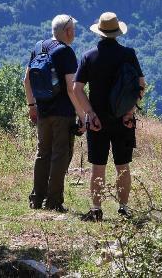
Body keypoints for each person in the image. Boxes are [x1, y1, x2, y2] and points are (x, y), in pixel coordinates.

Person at [73, 12, 145, 222]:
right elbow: (141, 85)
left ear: (100, 32)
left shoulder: (89, 56)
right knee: (122, 166)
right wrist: (129, 112)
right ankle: (123, 209)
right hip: (123, 119)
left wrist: (90, 114)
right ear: (117, 33)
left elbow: (77, 89)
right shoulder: (129, 54)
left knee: (98, 167)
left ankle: (96, 210)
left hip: (98, 122)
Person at [23, 14, 83, 212]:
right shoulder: (65, 52)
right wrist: (82, 116)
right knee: (60, 155)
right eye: (73, 30)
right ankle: (54, 201)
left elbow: (27, 80)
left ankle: (36, 198)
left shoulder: (39, 47)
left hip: (42, 110)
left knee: (42, 153)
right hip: (62, 113)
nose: (74, 33)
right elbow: (71, 88)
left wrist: (32, 106)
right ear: (67, 31)